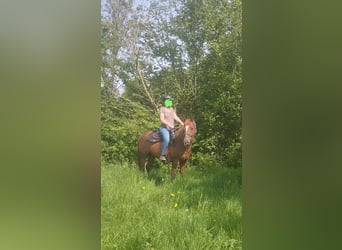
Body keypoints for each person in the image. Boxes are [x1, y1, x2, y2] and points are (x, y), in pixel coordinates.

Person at [159, 94, 184, 162]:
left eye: (170, 101)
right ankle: (162, 155)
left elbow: (176, 117)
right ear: (164, 101)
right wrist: (169, 124)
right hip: (164, 128)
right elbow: (162, 119)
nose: (170, 102)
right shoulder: (162, 109)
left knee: (177, 140)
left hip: (172, 128)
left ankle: (172, 154)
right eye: (168, 101)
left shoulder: (171, 109)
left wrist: (182, 123)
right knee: (167, 140)